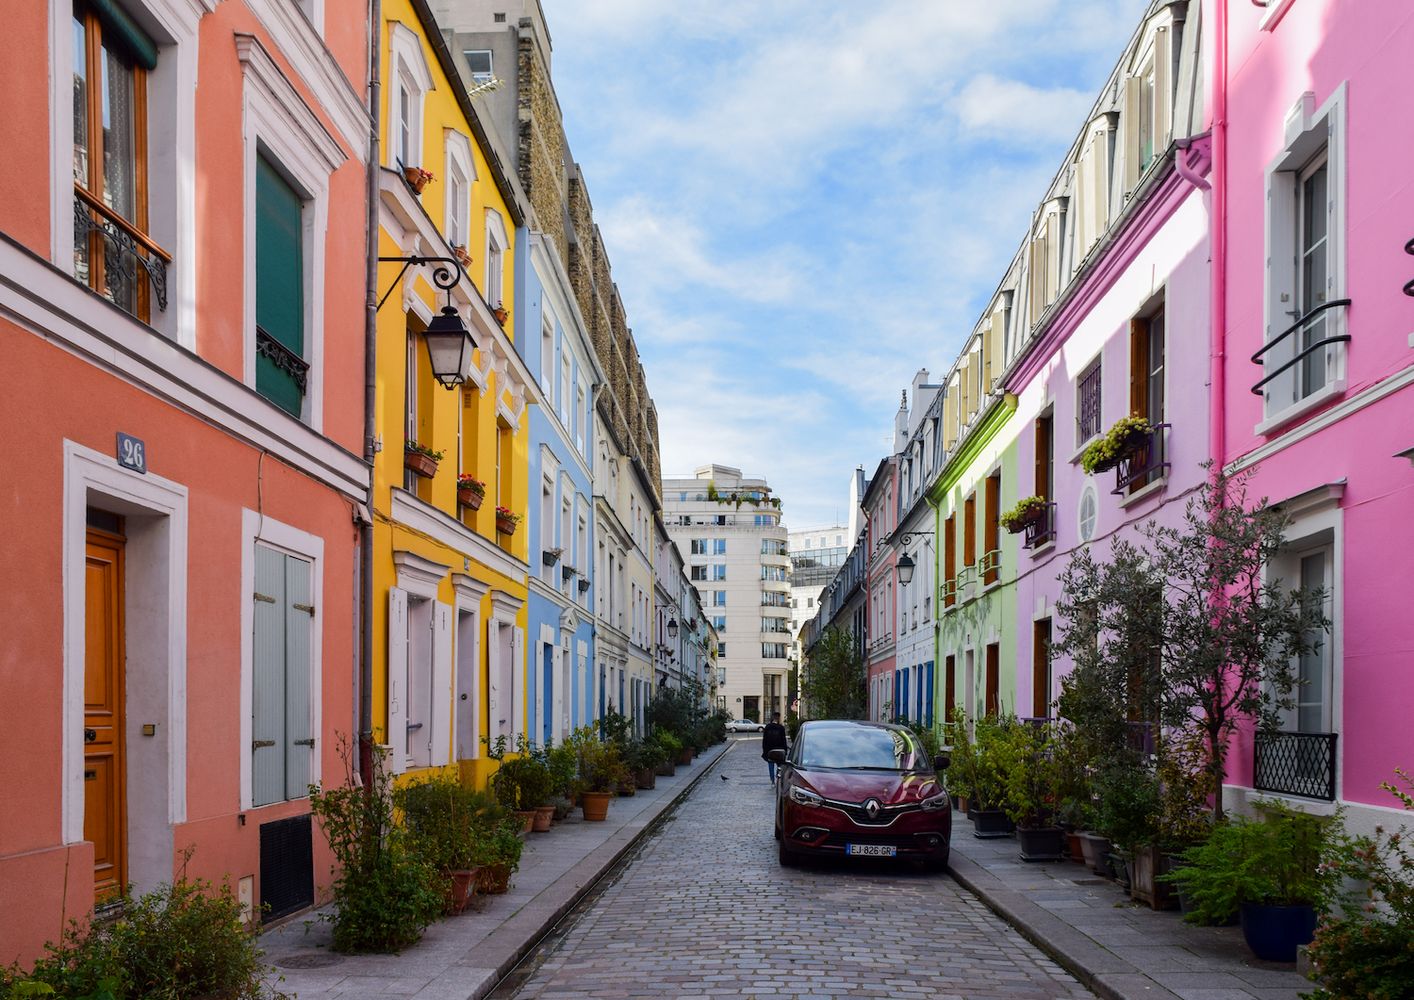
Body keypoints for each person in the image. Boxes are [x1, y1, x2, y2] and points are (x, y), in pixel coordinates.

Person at [762, 712, 787, 783]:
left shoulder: (768, 727)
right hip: (780, 750)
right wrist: (785, 751)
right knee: (779, 765)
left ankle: (772, 780)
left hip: (769, 750)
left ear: (772, 718)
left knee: (770, 765)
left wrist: (764, 750)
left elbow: (765, 740)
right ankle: (778, 777)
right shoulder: (781, 728)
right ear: (778, 718)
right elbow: (783, 740)